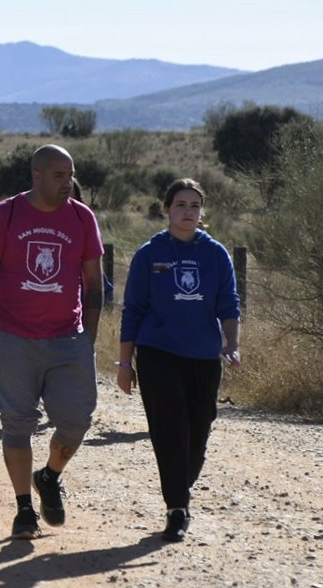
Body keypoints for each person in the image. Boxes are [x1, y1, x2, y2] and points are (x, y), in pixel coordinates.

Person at [0, 144, 104, 540]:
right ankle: (24, 508)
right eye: (59, 175)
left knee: (77, 421)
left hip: (68, 337)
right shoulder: (6, 214)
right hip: (14, 337)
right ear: (37, 176)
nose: (68, 183)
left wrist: (88, 338)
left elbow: (94, 286)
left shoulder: (82, 217)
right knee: (17, 423)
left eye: (71, 175)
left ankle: (49, 476)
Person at [117, 178, 241, 543]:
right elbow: (132, 310)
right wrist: (124, 364)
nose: (188, 212)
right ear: (167, 209)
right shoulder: (149, 253)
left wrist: (232, 344)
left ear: (202, 212)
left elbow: (229, 304)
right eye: (181, 205)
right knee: (170, 429)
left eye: (194, 206)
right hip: (157, 353)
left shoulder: (216, 254)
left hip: (204, 355)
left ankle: (178, 485)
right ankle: (177, 509)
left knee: (198, 433)